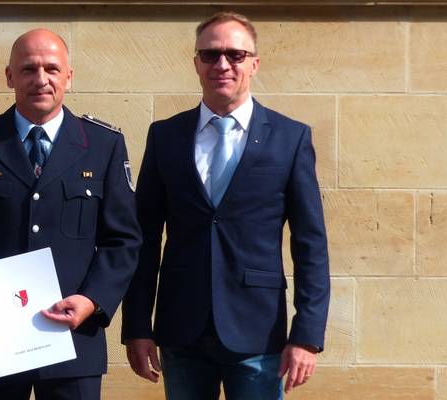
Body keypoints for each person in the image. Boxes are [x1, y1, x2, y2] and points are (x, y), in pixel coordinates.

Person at [121, 11, 330, 400]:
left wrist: (308, 334)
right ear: (196, 63)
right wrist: (136, 326)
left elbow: (310, 245)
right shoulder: (165, 136)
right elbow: (143, 238)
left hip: (258, 332)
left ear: (254, 63)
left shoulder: (290, 138)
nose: (222, 64)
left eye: (235, 55)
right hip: (181, 329)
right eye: (210, 54)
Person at [0, 29, 141, 400]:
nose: (40, 79)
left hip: (73, 340)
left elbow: (122, 241)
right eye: (28, 69)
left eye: (51, 69)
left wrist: (92, 300)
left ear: (69, 77)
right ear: (10, 76)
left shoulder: (103, 144)